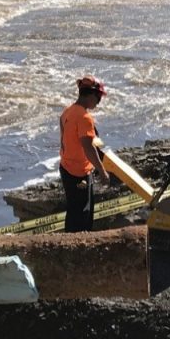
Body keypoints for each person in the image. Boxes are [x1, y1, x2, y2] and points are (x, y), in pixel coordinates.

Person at [59, 76, 110, 233]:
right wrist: (102, 171)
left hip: (66, 168)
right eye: (98, 98)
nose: (98, 102)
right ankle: (79, 247)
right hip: (79, 172)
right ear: (90, 95)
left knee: (73, 211)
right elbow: (88, 148)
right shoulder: (84, 118)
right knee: (83, 216)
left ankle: (69, 244)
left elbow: (64, 139)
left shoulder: (67, 112)